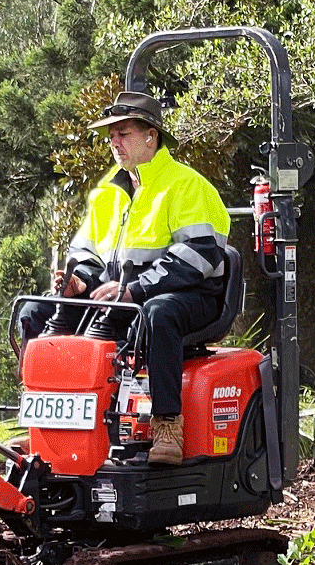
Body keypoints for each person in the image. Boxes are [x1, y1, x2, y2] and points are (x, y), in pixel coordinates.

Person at [20, 91, 230, 466]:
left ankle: (167, 425)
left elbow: (200, 255)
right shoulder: (108, 192)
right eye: (112, 135)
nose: (115, 142)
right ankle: (48, 419)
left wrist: (136, 289)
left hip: (190, 296)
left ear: (151, 135)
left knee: (159, 313)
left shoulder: (187, 186)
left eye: (124, 134)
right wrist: (78, 282)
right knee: (36, 311)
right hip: (121, 295)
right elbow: (87, 254)